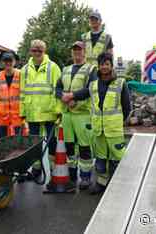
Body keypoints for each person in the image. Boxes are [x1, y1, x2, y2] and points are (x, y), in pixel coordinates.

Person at [55, 41, 97, 190]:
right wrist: (63, 97)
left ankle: (85, 177)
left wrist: (72, 96)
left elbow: (91, 89)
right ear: (72, 53)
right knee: (69, 147)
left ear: (85, 52)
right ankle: (72, 176)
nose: (77, 52)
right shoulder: (65, 69)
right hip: (67, 115)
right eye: (74, 50)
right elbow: (58, 88)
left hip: (82, 115)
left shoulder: (91, 69)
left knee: (85, 147)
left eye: (79, 50)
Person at [88, 52, 131, 194]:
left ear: (111, 66)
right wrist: (71, 96)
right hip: (99, 130)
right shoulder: (93, 84)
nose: (104, 67)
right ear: (98, 66)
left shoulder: (120, 83)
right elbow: (85, 95)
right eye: (101, 64)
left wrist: (119, 122)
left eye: (107, 64)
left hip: (114, 130)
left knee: (117, 159)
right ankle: (101, 184)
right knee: (100, 159)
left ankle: (120, 186)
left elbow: (127, 107)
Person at [20, 39, 62, 178]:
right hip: (32, 113)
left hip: (50, 113)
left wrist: (59, 111)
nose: (37, 52)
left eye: (40, 50)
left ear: (44, 51)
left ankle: (53, 170)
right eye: (34, 50)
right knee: (34, 145)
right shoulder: (25, 70)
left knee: (52, 143)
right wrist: (22, 113)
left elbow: (58, 90)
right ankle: (36, 170)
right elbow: (22, 92)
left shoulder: (53, 67)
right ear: (30, 51)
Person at [0, 51, 23, 138]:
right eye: (6, 61)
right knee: (3, 142)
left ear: (14, 61)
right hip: (2, 116)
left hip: (17, 116)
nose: (8, 63)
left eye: (10, 60)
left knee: (18, 142)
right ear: (2, 62)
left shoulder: (21, 75)